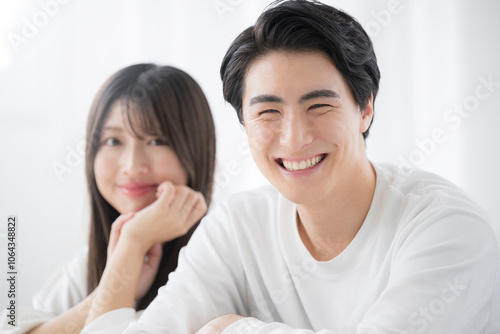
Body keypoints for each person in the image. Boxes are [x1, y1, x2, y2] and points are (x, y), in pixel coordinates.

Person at [82, 1, 499, 333]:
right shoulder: (238, 226)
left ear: (365, 108)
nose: (294, 137)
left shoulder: (446, 228)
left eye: (319, 106)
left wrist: (232, 329)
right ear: (244, 123)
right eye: (268, 113)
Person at [0, 63, 216, 333]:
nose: (132, 166)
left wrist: (135, 240)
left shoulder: (216, 255)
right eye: (114, 141)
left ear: (195, 149)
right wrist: (118, 278)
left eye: (157, 141)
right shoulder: (97, 256)